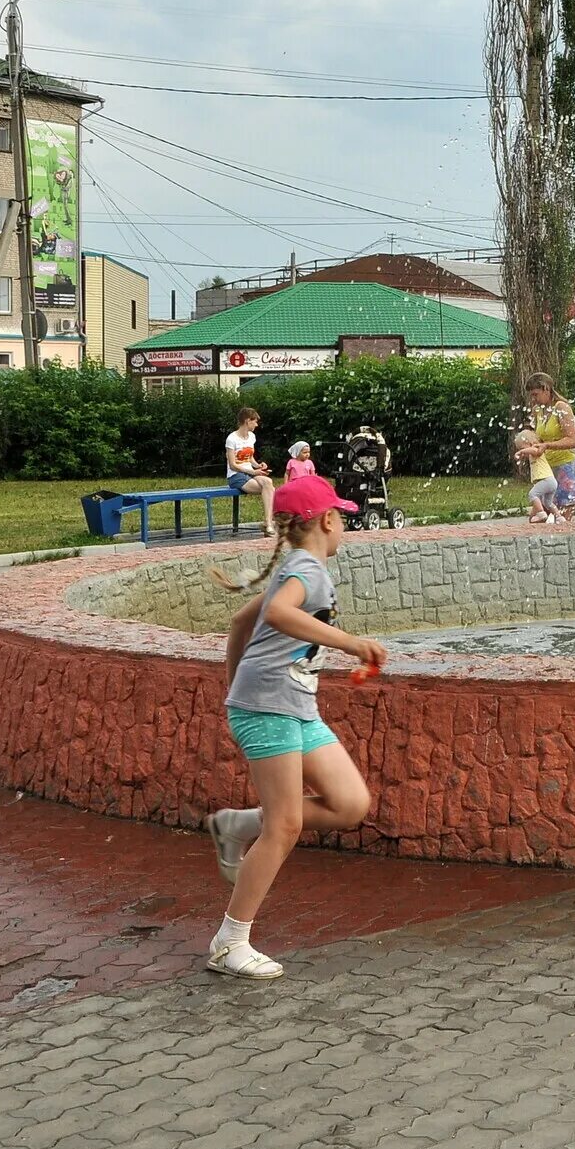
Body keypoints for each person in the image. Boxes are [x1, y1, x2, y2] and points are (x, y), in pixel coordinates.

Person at [203, 475, 384, 980]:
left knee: (350, 803)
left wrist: (233, 686)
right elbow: (278, 614)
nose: (344, 523)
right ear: (327, 520)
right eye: (341, 516)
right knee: (285, 825)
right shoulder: (309, 569)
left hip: (293, 707)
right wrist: (349, 642)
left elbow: (243, 622)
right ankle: (228, 942)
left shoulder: (296, 567)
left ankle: (237, 824)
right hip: (270, 708)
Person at [525, 373, 575, 517]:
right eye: (531, 395)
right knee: (538, 517)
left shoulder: (561, 407)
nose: (533, 399)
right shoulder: (538, 410)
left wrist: (547, 445)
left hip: (567, 469)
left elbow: (573, 440)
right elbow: (539, 438)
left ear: (546, 389)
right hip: (547, 471)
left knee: (563, 519)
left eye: (536, 394)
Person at [224, 407, 278, 539]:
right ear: (247, 421)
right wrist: (253, 471)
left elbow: (249, 458)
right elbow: (233, 465)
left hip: (250, 473)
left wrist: (258, 465)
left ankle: (268, 522)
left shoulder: (252, 437)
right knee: (269, 488)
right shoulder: (232, 439)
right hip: (236, 476)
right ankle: (268, 523)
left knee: (268, 483)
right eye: (255, 421)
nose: (257, 424)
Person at [512, 427, 560, 524]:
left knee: (532, 494)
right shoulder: (532, 455)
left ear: (531, 444)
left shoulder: (537, 449)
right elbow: (530, 452)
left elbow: (534, 451)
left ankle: (541, 514)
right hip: (551, 482)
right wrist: (522, 454)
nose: (522, 451)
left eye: (522, 448)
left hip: (546, 480)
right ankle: (559, 517)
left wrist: (521, 452)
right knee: (548, 503)